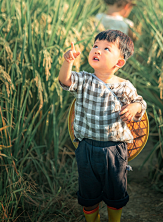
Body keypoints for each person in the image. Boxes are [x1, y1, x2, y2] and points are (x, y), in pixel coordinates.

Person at [58, 30, 147, 222]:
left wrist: (134, 106)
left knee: (116, 192)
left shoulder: (125, 86)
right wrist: (68, 62)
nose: (97, 50)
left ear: (119, 62)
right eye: (95, 46)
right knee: (88, 193)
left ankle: (114, 220)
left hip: (115, 149)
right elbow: (65, 80)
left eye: (106, 48)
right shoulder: (84, 80)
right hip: (87, 147)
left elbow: (141, 104)